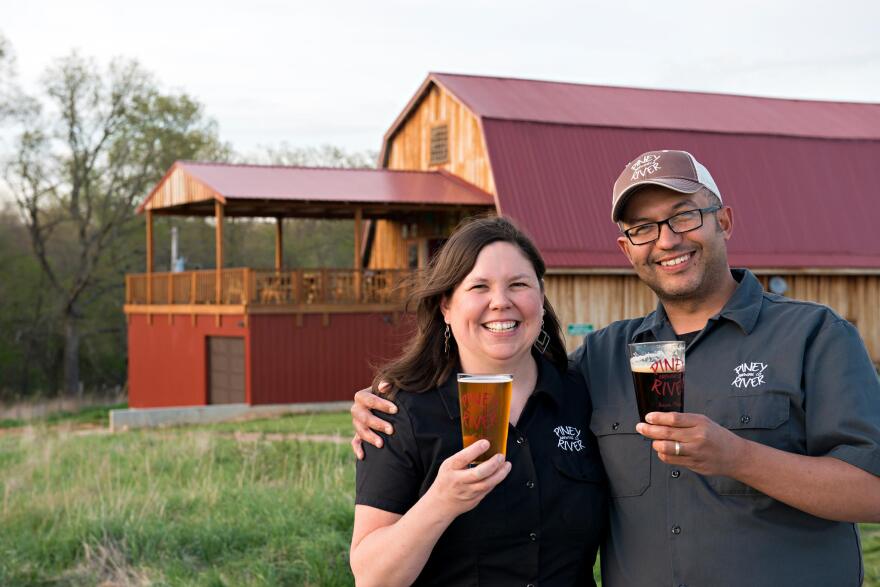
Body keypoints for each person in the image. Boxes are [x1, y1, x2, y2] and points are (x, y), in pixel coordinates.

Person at [351, 150, 880, 586]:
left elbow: (871, 491)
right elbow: (507, 360)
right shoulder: (602, 359)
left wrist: (738, 456)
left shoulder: (814, 336)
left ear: (724, 219)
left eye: (684, 216)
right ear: (626, 249)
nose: (667, 240)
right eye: (643, 228)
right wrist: (389, 396)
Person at [350, 216, 607, 587]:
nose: (500, 302)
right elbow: (372, 578)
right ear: (446, 306)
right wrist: (440, 502)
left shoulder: (584, 394)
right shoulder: (399, 412)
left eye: (518, 284)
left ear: (540, 294)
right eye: (478, 287)